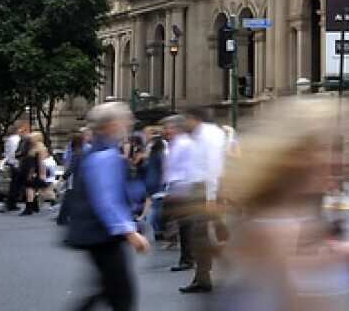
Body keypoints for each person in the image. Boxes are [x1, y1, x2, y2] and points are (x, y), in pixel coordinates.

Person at [217, 96, 349, 310]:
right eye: (331, 149)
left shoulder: (294, 214)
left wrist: (345, 252)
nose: (346, 160)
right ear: (299, 155)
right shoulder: (278, 225)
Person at [64, 102, 151, 311]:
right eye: (126, 119)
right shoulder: (105, 155)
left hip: (97, 233)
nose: (129, 123)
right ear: (112, 124)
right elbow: (106, 198)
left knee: (109, 289)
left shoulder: (101, 151)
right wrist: (130, 232)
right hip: (102, 234)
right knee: (122, 295)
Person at [178, 106, 228, 294]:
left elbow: (213, 167)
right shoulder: (199, 136)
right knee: (203, 234)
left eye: (186, 119)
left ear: (194, 119)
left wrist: (210, 196)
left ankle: (203, 277)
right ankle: (202, 276)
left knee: (199, 235)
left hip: (205, 189)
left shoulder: (209, 136)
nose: (183, 123)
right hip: (199, 188)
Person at [160, 115, 198, 273]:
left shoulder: (183, 144)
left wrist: (174, 190)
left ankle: (188, 258)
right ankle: (187, 257)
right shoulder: (177, 144)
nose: (166, 131)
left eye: (168, 128)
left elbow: (183, 170)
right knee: (184, 226)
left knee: (186, 226)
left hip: (183, 190)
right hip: (179, 189)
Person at [18, 132, 48, 216]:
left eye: (32, 137)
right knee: (31, 188)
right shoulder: (32, 146)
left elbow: (41, 162)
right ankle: (34, 206)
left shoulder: (40, 147)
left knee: (30, 188)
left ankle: (30, 208)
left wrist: (42, 173)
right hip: (31, 170)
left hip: (33, 171)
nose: (30, 139)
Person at [3, 122, 28, 211]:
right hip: (16, 164)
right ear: (18, 130)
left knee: (14, 184)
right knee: (16, 185)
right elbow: (16, 153)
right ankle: (11, 203)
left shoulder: (9, 140)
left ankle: (11, 203)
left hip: (12, 163)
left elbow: (8, 153)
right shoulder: (16, 140)